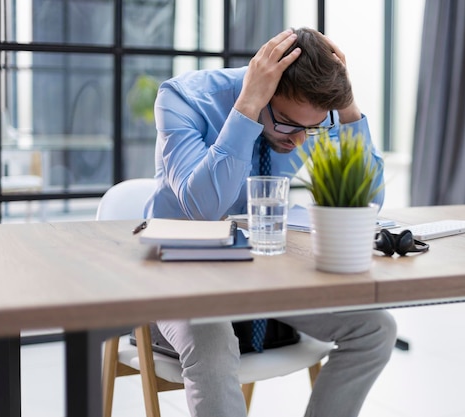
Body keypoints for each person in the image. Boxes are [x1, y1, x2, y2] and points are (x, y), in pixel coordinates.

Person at [144, 27, 397, 417]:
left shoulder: (309, 116)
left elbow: (366, 202)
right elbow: (203, 209)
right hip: (182, 276)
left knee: (376, 330)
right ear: (264, 88)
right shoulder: (183, 98)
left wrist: (346, 111)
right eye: (287, 124)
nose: (299, 142)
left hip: (268, 278)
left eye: (310, 129)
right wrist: (247, 108)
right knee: (212, 347)